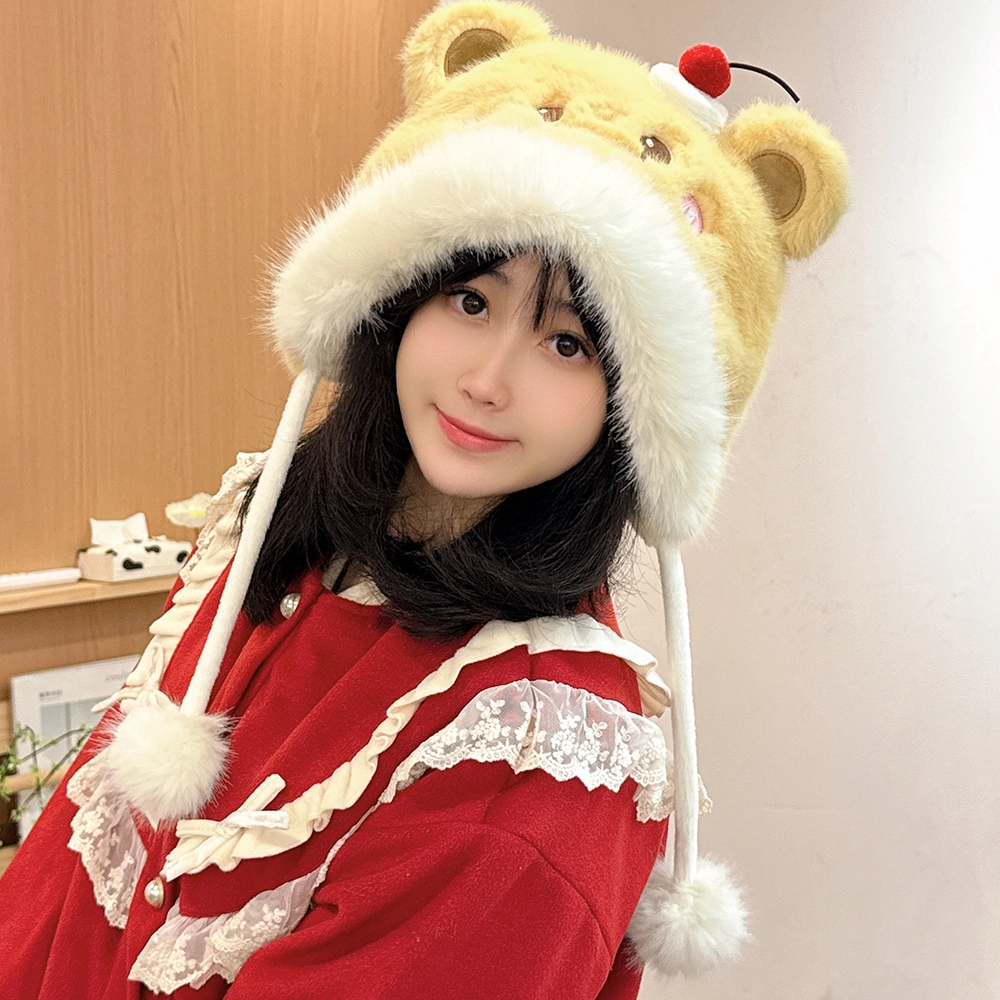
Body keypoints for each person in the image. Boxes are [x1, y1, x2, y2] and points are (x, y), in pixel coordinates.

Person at [0, 2, 849, 997]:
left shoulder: (529, 766)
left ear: (637, 405)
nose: (486, 380)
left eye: (568, 342)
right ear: (397, 295)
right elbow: (58, 880)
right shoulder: (280, 528)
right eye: (471, 299)